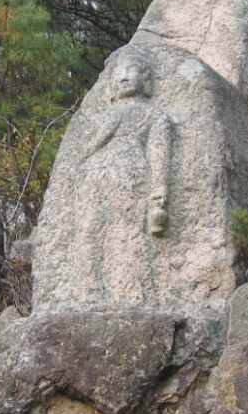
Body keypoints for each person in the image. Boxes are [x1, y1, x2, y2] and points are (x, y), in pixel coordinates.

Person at [73, 46, 173, 304]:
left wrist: (160, 187)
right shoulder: (105, 115)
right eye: (118, 73)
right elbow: (91, 146)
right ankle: (88, 290)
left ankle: (132, 293)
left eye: (132, 71)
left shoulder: (154, 114)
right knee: (89, 232)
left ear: (146, 80)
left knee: (127, 233)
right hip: (94, 177)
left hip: (130, 176)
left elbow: (158, 152)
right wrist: (81, 166)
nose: (125, 77)